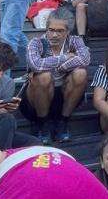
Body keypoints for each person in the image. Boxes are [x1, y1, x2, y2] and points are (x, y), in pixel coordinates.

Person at [23, 8, 90, 145]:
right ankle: (42, 125)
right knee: (44, 76)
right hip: (36, 96)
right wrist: (64, 58)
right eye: (51, 30)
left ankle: (63, 122)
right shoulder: (36, 42)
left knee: (81, 73)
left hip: (64, 93)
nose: (54, 35)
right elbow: (36, 65)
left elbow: (85, 59)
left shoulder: (75, 41)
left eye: (60, 31)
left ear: (68, 31)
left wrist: (61, 67)